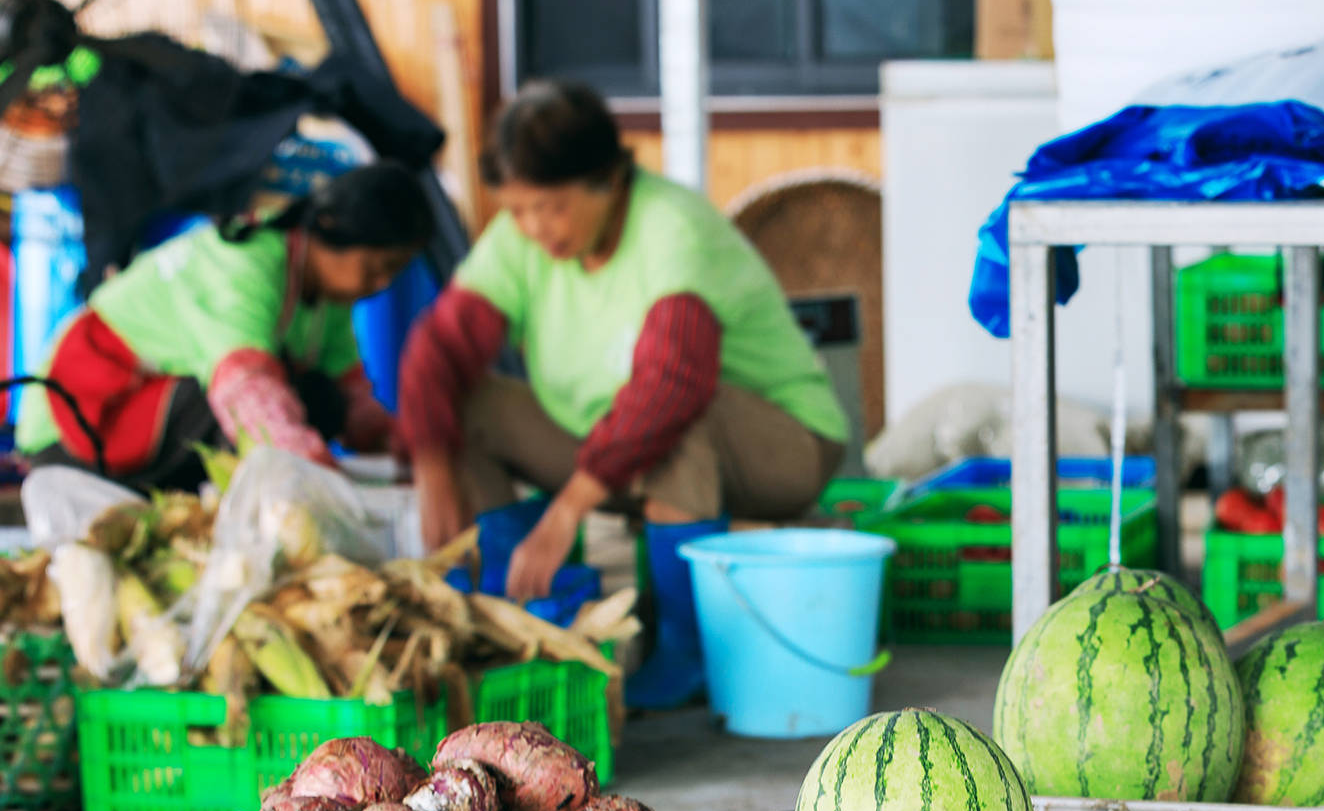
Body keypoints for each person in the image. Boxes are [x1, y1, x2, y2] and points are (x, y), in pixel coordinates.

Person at [397, 80, 850, 709]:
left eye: (551, 206)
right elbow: (439, 349)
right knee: (469, 410)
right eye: (518, 209)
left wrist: (565, 514)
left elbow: (669, 388)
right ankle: (507, 613)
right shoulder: (523, 238)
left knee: (676, 422)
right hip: (609, 442)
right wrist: (432, 466)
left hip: (781, 447)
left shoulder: (671, 229)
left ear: (608, 180)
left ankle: (687, 651)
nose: (534, 227)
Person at [14, 163, 433, 490]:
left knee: (318, 398)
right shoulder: (245, 262)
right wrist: (317, 478)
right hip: (81, 427)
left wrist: (407, 450)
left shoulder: (327, 298)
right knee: (263, 400)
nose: (381, 285)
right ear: (331, 228)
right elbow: (246, 390)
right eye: (378, 267)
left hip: (153, 419)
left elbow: (351, 396)